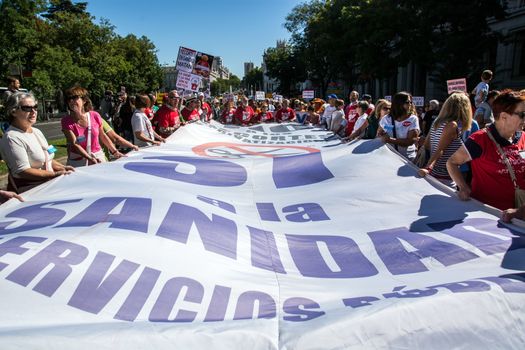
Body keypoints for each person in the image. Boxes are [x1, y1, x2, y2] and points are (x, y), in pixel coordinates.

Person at [447, 89, 525, 210]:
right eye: (522, 114)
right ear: (504, 116)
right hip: (490, 217)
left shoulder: (523, 137)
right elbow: (451, 162)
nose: (524, 118)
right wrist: (463, 186)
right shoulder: (480, 139)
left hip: (519, 216)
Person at [1, 92, 74, 193]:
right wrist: (54, 174)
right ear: (13, 112)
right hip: (31, 191)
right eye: (27, 108)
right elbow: (23, 171)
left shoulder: (36, 131)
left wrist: (63, 167)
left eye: (35, 107)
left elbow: (46, 158)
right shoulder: (12, 138)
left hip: (48, 186)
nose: (33, 111)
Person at [418, 92, 472, 186]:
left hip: (435, 175)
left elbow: (427, 144)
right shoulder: (451, 125)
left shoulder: (437, 121)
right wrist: (428, 168)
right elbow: (440, 150)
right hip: (443, 177)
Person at [62, 86, 120, 167]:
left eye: (74, 98)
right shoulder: (66, 121)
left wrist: (114, 151)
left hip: (98, 157)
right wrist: (89, 158)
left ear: (84, 100)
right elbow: (75, 144)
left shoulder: (94, 115)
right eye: (69, 99)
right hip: (79, 162)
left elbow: (103, 136)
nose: (71, 101)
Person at [377, 92, 420, 161]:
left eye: (411, 102)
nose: (410, 104)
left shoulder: (413, 119)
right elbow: (379, 133)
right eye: (407, 102)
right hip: (389, 158)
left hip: (407, 159)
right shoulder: (386, 119)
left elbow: (411, 141)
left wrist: (390, 140)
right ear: (399, 103)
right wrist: (381, 134)